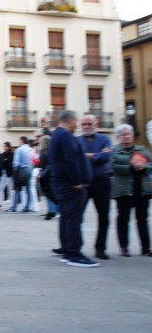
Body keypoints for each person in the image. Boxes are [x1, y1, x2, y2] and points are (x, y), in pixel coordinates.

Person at [48, 110, 98, 267]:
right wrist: (76, 181)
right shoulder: (65, 136)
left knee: (66, 218)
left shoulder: (57, 135)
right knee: (73, 219)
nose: (77, 125)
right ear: (70, 120)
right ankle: (73, 253)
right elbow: (71, 159)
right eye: (76, 121)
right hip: (69, 185)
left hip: (60, 183)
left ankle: (67, 250)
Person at [110, 124, 152, 257]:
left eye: (129, 134)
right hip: (123, 191)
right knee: (123, 219)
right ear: (118, 137)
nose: (127, 137)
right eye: (124, 135)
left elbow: (151, 164)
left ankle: (145, 247)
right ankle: (124, 247)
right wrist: (131, 167)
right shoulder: (115, 151)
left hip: (141, 190)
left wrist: (144, 166)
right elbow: (113, 166)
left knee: (142, 220)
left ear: (133, 136)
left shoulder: (142, 149)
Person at [76, 115, 112, 260]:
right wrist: (96, 156)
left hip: (101, 182)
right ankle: (75, 246)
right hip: (84, 183)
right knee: (77, 216)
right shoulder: (77, 140)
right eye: (84, 124)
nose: (86, 127)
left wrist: (88, 156)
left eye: (89, 124)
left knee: (104, 217)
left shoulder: (104, 139)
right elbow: (76, 158)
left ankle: (100, 248)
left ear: (96, 124)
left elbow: (107, 156)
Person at [7, 136, 33, 213]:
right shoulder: (30, 149)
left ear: (22, 141)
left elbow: (16, 162)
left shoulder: (19, 149)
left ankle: (14, 207)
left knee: (17, 188)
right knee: (28, 189)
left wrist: (15, 170)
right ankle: (27, 207)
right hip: (29, 169)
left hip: (21, 170)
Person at [0, 142, 14, 208]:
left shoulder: (11, 154)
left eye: (6, 146)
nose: (5, 147)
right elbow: (1, 163)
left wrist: (6, 160)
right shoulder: (2, 155)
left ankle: (12, 203)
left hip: (9, 173)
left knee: (10, 189)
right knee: (0, 188)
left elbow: (8, 161)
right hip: (4, 173)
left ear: (9, 147)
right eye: (4, 146)